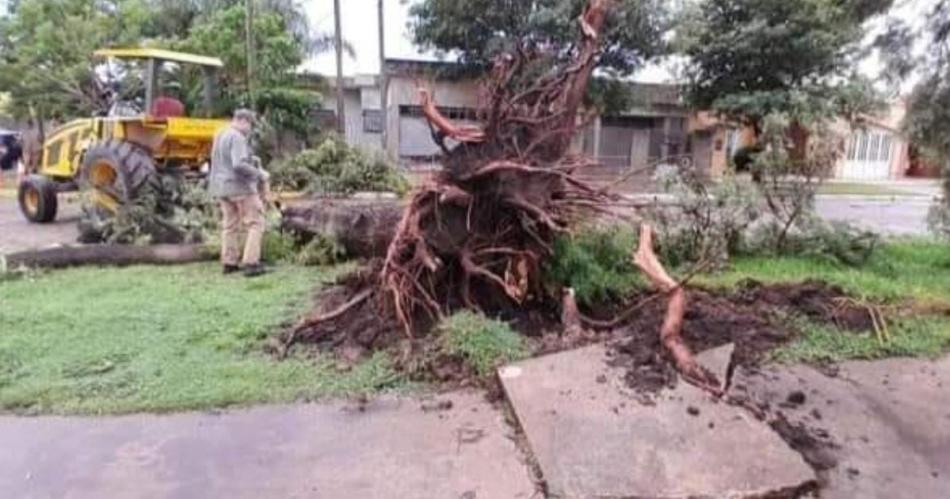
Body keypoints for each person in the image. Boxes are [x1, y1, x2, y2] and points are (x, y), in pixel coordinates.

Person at [209, 109, 270, 277]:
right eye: (250, 125)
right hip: (240, 188)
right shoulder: (237, 137)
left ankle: (229, 263)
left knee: (230, 225)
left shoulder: (220, 133)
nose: (250, 130)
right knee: (255, 222)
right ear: (243, 121)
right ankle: (251, 263)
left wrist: (252, 160)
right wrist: (260, 174)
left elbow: (222, 161)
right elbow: (238, 165)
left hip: (222, 188)